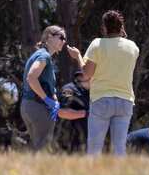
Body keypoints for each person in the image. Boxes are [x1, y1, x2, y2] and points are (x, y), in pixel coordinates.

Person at [82, 10, 140, 156]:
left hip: (101, 99)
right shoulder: (133, 47)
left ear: (104, 27)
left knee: (94, 147)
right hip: (125, 100)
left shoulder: (97, 44)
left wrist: (77, 57)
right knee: (119, 148)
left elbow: (86, 74)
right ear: (121, 27)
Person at [20, 25, 83, 151]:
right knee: (43, 150)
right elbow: (31, 78)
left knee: (38, 148)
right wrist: (47, 100)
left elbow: (40, 82)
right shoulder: (44, 56)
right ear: (49, 36)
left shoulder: (39, 54)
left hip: (28, 106)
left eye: (65, 39)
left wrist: (53, 100)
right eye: (61, 37)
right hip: (38, 107)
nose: (64, 41)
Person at [56, 71, 92, 153]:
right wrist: (86, 113)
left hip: (84, 141)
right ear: (82, 77)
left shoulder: (88, 92)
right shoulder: (68, 90)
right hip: (68, 139)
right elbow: (62, 112)